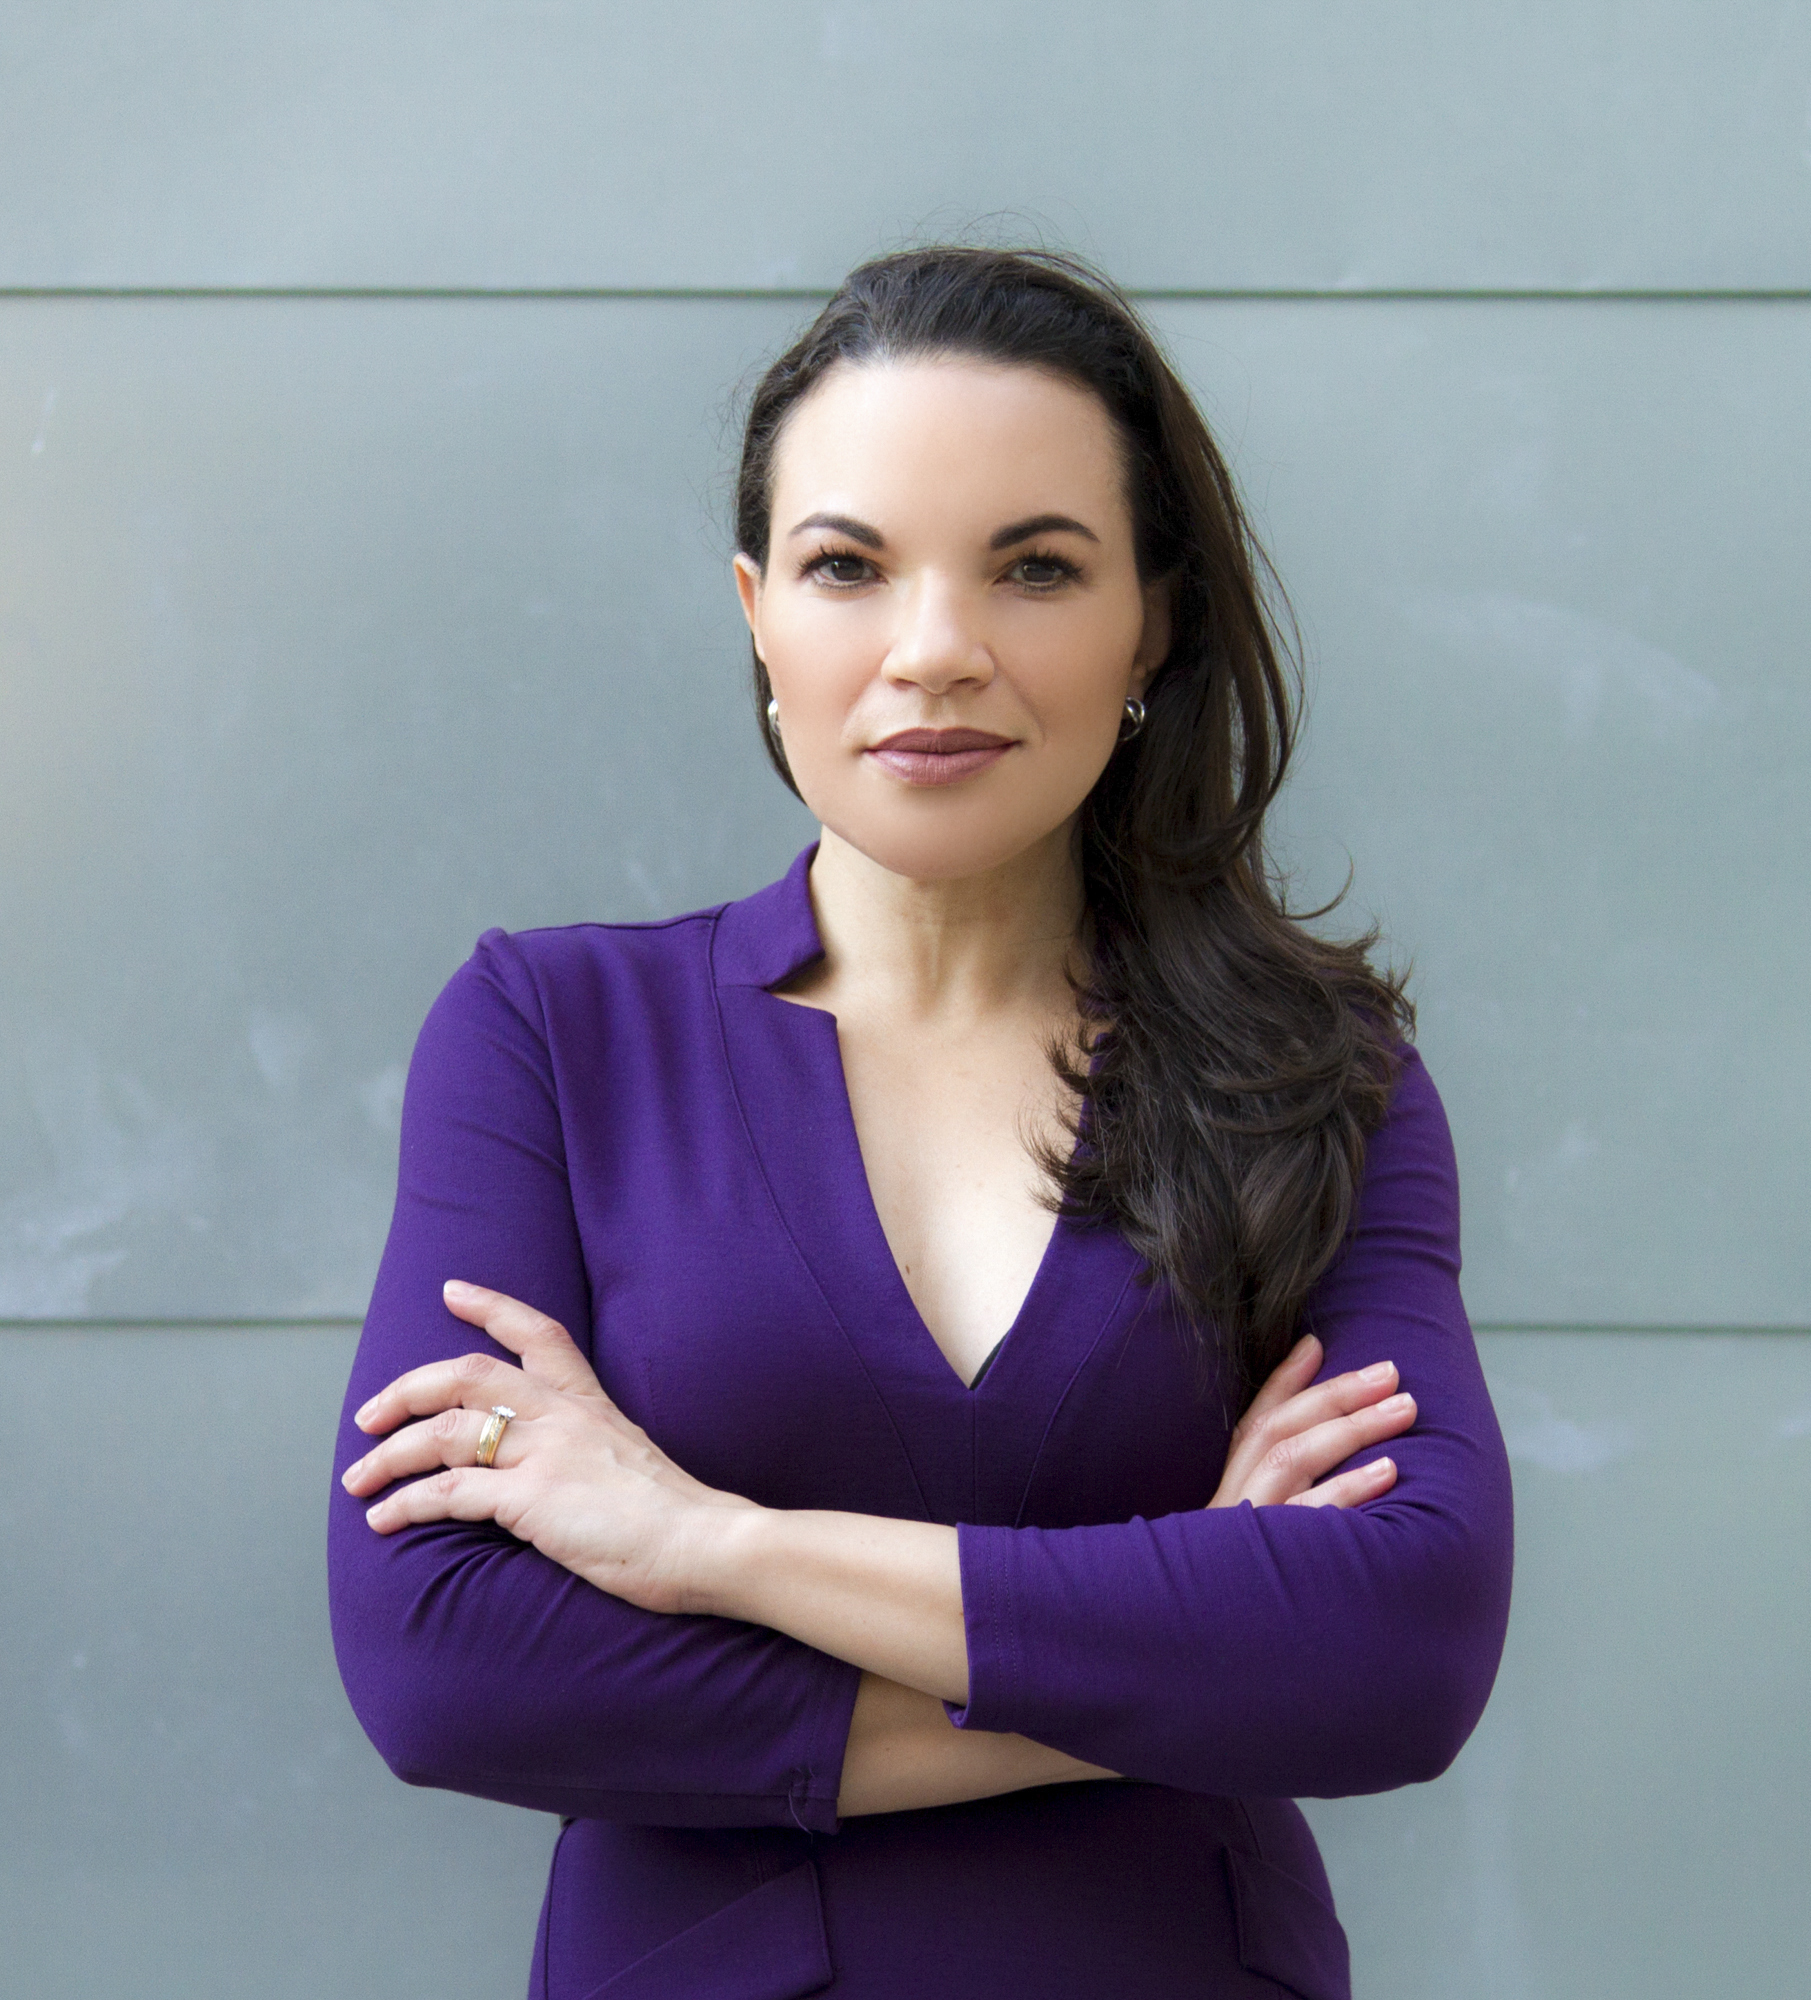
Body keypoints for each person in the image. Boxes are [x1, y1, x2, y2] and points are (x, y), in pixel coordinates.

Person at [329, 246, 1513, 2000]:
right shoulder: (554, 1036)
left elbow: (1398, 1646)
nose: (936, 650)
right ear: (756, 612)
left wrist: (711, 1549)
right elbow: (446, 1663)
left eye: (1035, 568)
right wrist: (1168, 1646)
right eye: (847, 568)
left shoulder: (1310, 1070)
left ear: (1153, 623)